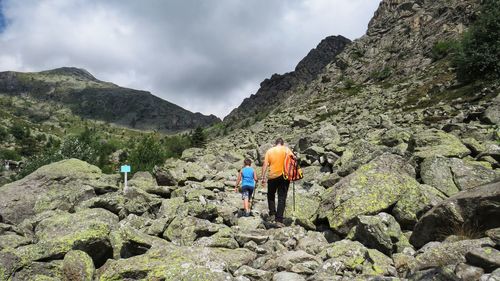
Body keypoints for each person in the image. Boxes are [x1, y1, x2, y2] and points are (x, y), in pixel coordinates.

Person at [261, 137, 293, 227]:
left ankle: (272, 213)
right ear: (282, 143)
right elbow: (293, 161)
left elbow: (265, 164)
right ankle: (279, 219)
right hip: (284, 176)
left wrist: (263, 177)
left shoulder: (270, 151)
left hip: (272, 176)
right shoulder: (287, 150)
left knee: (270, 195)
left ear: (275, 143)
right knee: (282, 197)